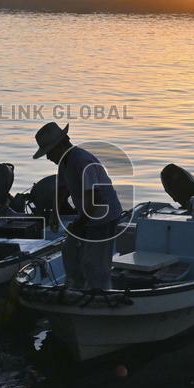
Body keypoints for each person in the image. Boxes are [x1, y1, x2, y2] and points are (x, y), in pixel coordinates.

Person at [33, 122, 122, 290]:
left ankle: (100, 292)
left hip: (103, 217)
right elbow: (61, 190)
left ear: (60, 146)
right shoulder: (64, 163)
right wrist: (54, 213)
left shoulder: (82, 161)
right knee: (69, 252)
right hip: (88, 216)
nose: (48, 157)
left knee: (94, 262)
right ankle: (77, 288)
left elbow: (92, 199)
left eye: (49, 152)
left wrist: (79, 224)